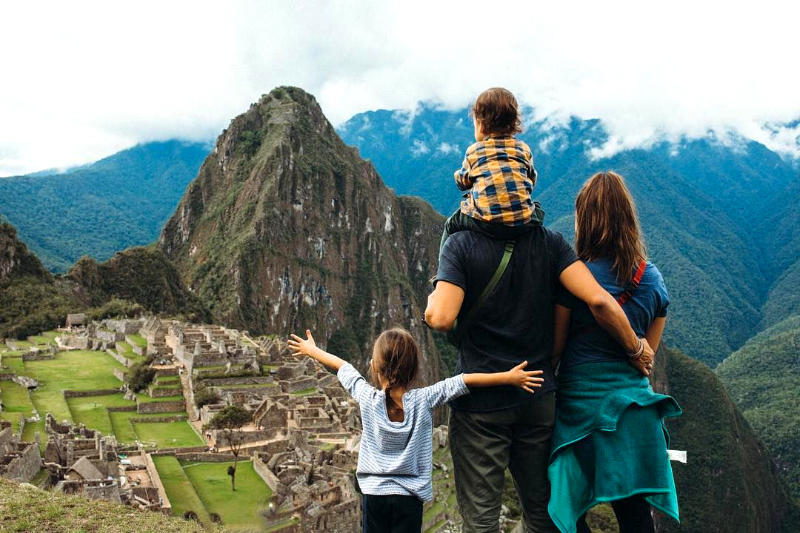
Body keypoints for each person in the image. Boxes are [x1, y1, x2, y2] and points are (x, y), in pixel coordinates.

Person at [425, 191, 653, 532]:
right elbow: (597, 300)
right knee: (543, 512)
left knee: (481, 520)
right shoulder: (552, 244)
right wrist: (636, 349)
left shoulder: (460, 245)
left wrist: (432, 301)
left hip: (481, 407)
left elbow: (441, 318)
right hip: (538, 398)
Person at [287, 327, 545, 533]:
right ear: (412, 370)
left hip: (374, 495)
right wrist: (508, 377)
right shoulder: (424, 399)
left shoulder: (366, 397)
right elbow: (464, 381)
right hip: (409, 499)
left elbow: (342, 366)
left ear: (376, 368)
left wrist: (311, 350)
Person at [547, 171, 681, 533]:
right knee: (635, 515)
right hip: (633, 414)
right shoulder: (651, 278)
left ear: (584, 220)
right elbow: (647, 357)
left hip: (581, 414)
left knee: (566, 511)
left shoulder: (573, 278)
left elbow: (555, 353)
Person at [439, 87, 545, 251]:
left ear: (481, 125)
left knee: (450, 224)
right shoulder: (523, 149)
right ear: (514, 124)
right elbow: (532, 179)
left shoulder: (474, 151)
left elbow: (462, 182)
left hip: (486, 223)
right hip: (522, 223)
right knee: (537, 210)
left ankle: (440, 271)